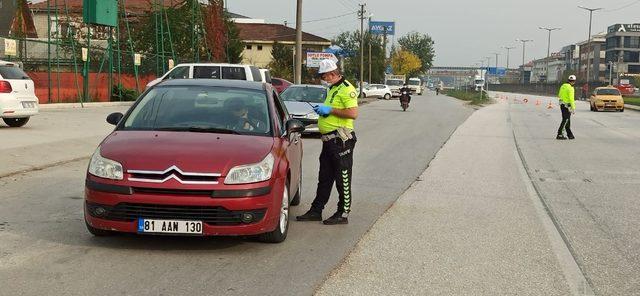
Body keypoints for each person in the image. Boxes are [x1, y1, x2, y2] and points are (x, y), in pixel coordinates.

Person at [296, 59, 358, 225]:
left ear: (332, 73)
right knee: (324, 177)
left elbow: (352, 113)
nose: (322, 79)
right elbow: (336, 112)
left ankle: (343, 213)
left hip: (340, 140)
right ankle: (316, 210)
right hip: (328, 141)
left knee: (342, 177)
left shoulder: (347, 89)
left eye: (324, 75)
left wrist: (330, 110)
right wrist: (325, 113)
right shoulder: (332, 89)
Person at [557, 75, 577, 140]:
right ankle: (559, 134)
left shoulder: (563, 86)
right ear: (574, 81)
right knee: (566, 120)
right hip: (567, 105)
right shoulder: (571, 88)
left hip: (562, 104)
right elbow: (571, 99)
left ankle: (569, 134)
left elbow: (559, 95)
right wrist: (573, 108)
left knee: (567, 119)